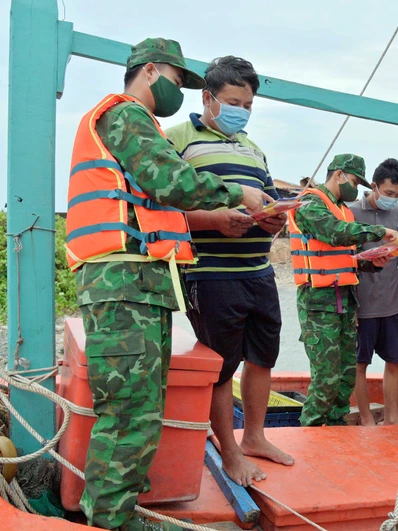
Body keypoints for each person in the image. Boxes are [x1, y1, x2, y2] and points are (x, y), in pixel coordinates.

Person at [65, 39, 268, 531]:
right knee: (130, 409)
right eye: (178, 83)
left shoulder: (133, 121)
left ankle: (119, 506)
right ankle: (109, 519)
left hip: (140, 281)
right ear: (150, 69)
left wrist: (218, 216)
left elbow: (154, 202)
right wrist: (237, 192)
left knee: (141, 404)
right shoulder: (126, 115)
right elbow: (170, 179)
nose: (178, 92)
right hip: (121, 281)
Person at [165, 56, 293, 488]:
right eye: (233, 101)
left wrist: (277, 220)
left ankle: (255, 436)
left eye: (249, 104)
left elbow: (271, 201)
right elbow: (163, 207)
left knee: (262, 358)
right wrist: (215, 220)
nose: (242, 110)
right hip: (210, 272)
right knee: (220, 366)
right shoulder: (177, 138)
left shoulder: (253, 149)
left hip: (259, 271)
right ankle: (230, 449)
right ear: (207, 98)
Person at [287, 154, 398, 426]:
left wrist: (373, 263)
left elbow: (346, 259)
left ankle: (335, 426)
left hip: (345, 304)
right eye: (354, 181)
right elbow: (334, 232)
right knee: (326, 378)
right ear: (338, 175)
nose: (356, 188)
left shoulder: (343, 210)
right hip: (318, 304)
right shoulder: (309, 203)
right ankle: (311, 428)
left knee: (346, 376)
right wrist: (377, 232)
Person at [349, 158, 398, 425]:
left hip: (393, 304)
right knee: (358, 365)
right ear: (374, 186)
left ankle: (391, 419)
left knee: (395, 362)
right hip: (360, 307)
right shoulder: (350, 213)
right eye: (388, 194)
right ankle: (366, 419)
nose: (393, 199)